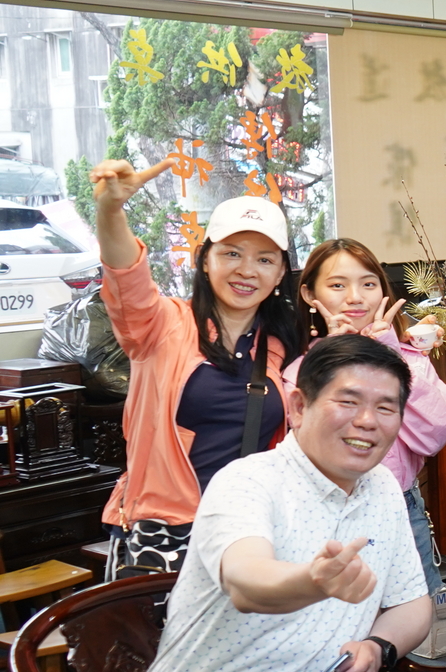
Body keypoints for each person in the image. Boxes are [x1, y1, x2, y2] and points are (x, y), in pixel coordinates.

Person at [130, 335, 432, 672]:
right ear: (298, 406)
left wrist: (378, 648)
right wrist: (314, 583)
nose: (367, 421)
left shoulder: (383, 487)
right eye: (348, 401)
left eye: (386, 408)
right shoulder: (247, 482)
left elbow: (412, 604)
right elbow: (247, 581)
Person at [92, 156, 309, 578]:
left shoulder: (280, 345)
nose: (247, 270)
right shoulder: (160, 325)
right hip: (165, 530)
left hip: (247, 533)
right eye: (231, 253)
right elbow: (125, 274)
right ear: (204, 259)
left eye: (265, 260)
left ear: (281, 272)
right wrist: (111, 210)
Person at [286, 239, 446, 595]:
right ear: (309, 294)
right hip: (324, 516)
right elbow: (307, 450)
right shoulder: (297, 369)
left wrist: (390, 354)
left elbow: (435, 434)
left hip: (402, 510)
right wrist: (334, 359)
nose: (355, 297)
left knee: (413, 614)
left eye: (368, 283)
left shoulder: (409, 358)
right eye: (337, 285)